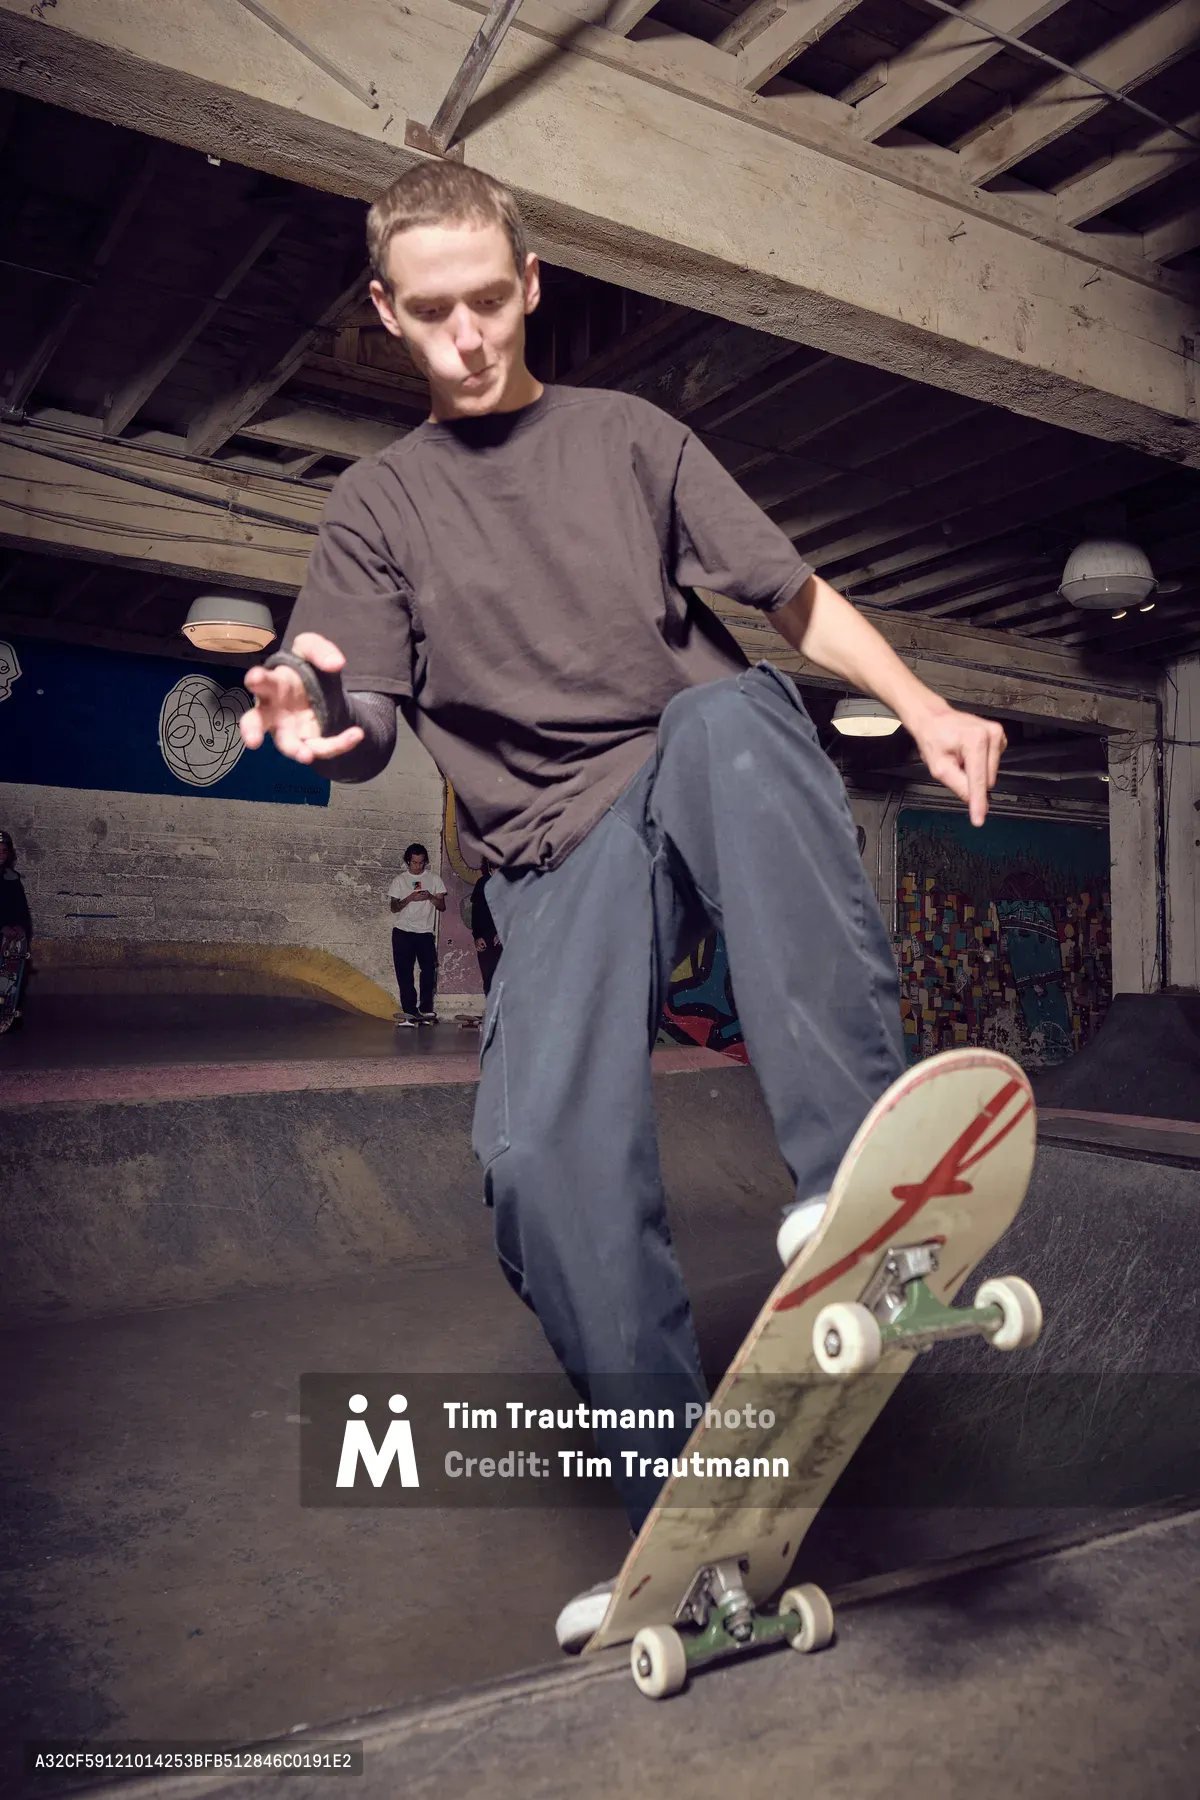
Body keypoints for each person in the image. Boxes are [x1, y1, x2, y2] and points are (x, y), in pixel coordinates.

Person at [238, 161, 1006, 1648]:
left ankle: (864, 1193)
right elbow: (360, 696)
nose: (468, 337)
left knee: (727, 718)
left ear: (531, 285)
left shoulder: (632, 438)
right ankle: (689, 1516)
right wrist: (321, 712)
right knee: (537, 1165)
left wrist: (922, 703)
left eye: (490, 301)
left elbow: (789, 595)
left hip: (695, 761)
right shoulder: (377, 505)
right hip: (553, 853)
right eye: (434, 312)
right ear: (389, 316)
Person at [389, 842, 446, 1025]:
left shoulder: (434, 879)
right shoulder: (400, 880)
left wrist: (430, 896)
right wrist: (410, 898)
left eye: (421, 863)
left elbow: (442, 906)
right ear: (408, 861)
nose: (418, 866)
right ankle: (409, 1011)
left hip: (425, 932)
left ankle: (426, 1009)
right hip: (403, 932)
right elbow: (393, 907)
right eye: (414, 862)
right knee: (404, 972)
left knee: (428, 970)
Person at [0, 831, 32, 1029]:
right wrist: (1, 927)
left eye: (4, 851)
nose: (1, 854)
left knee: (11, 974)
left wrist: (20, 925)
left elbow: (21, 909)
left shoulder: (12, 879)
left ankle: (7, 1011)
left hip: (9, 938)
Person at [471, 858, 502, 996]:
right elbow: (476, 914)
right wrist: (477, 937)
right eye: (495, 869)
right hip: (486, 938)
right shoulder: (482, 884)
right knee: (489, 978)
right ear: (489, 869)